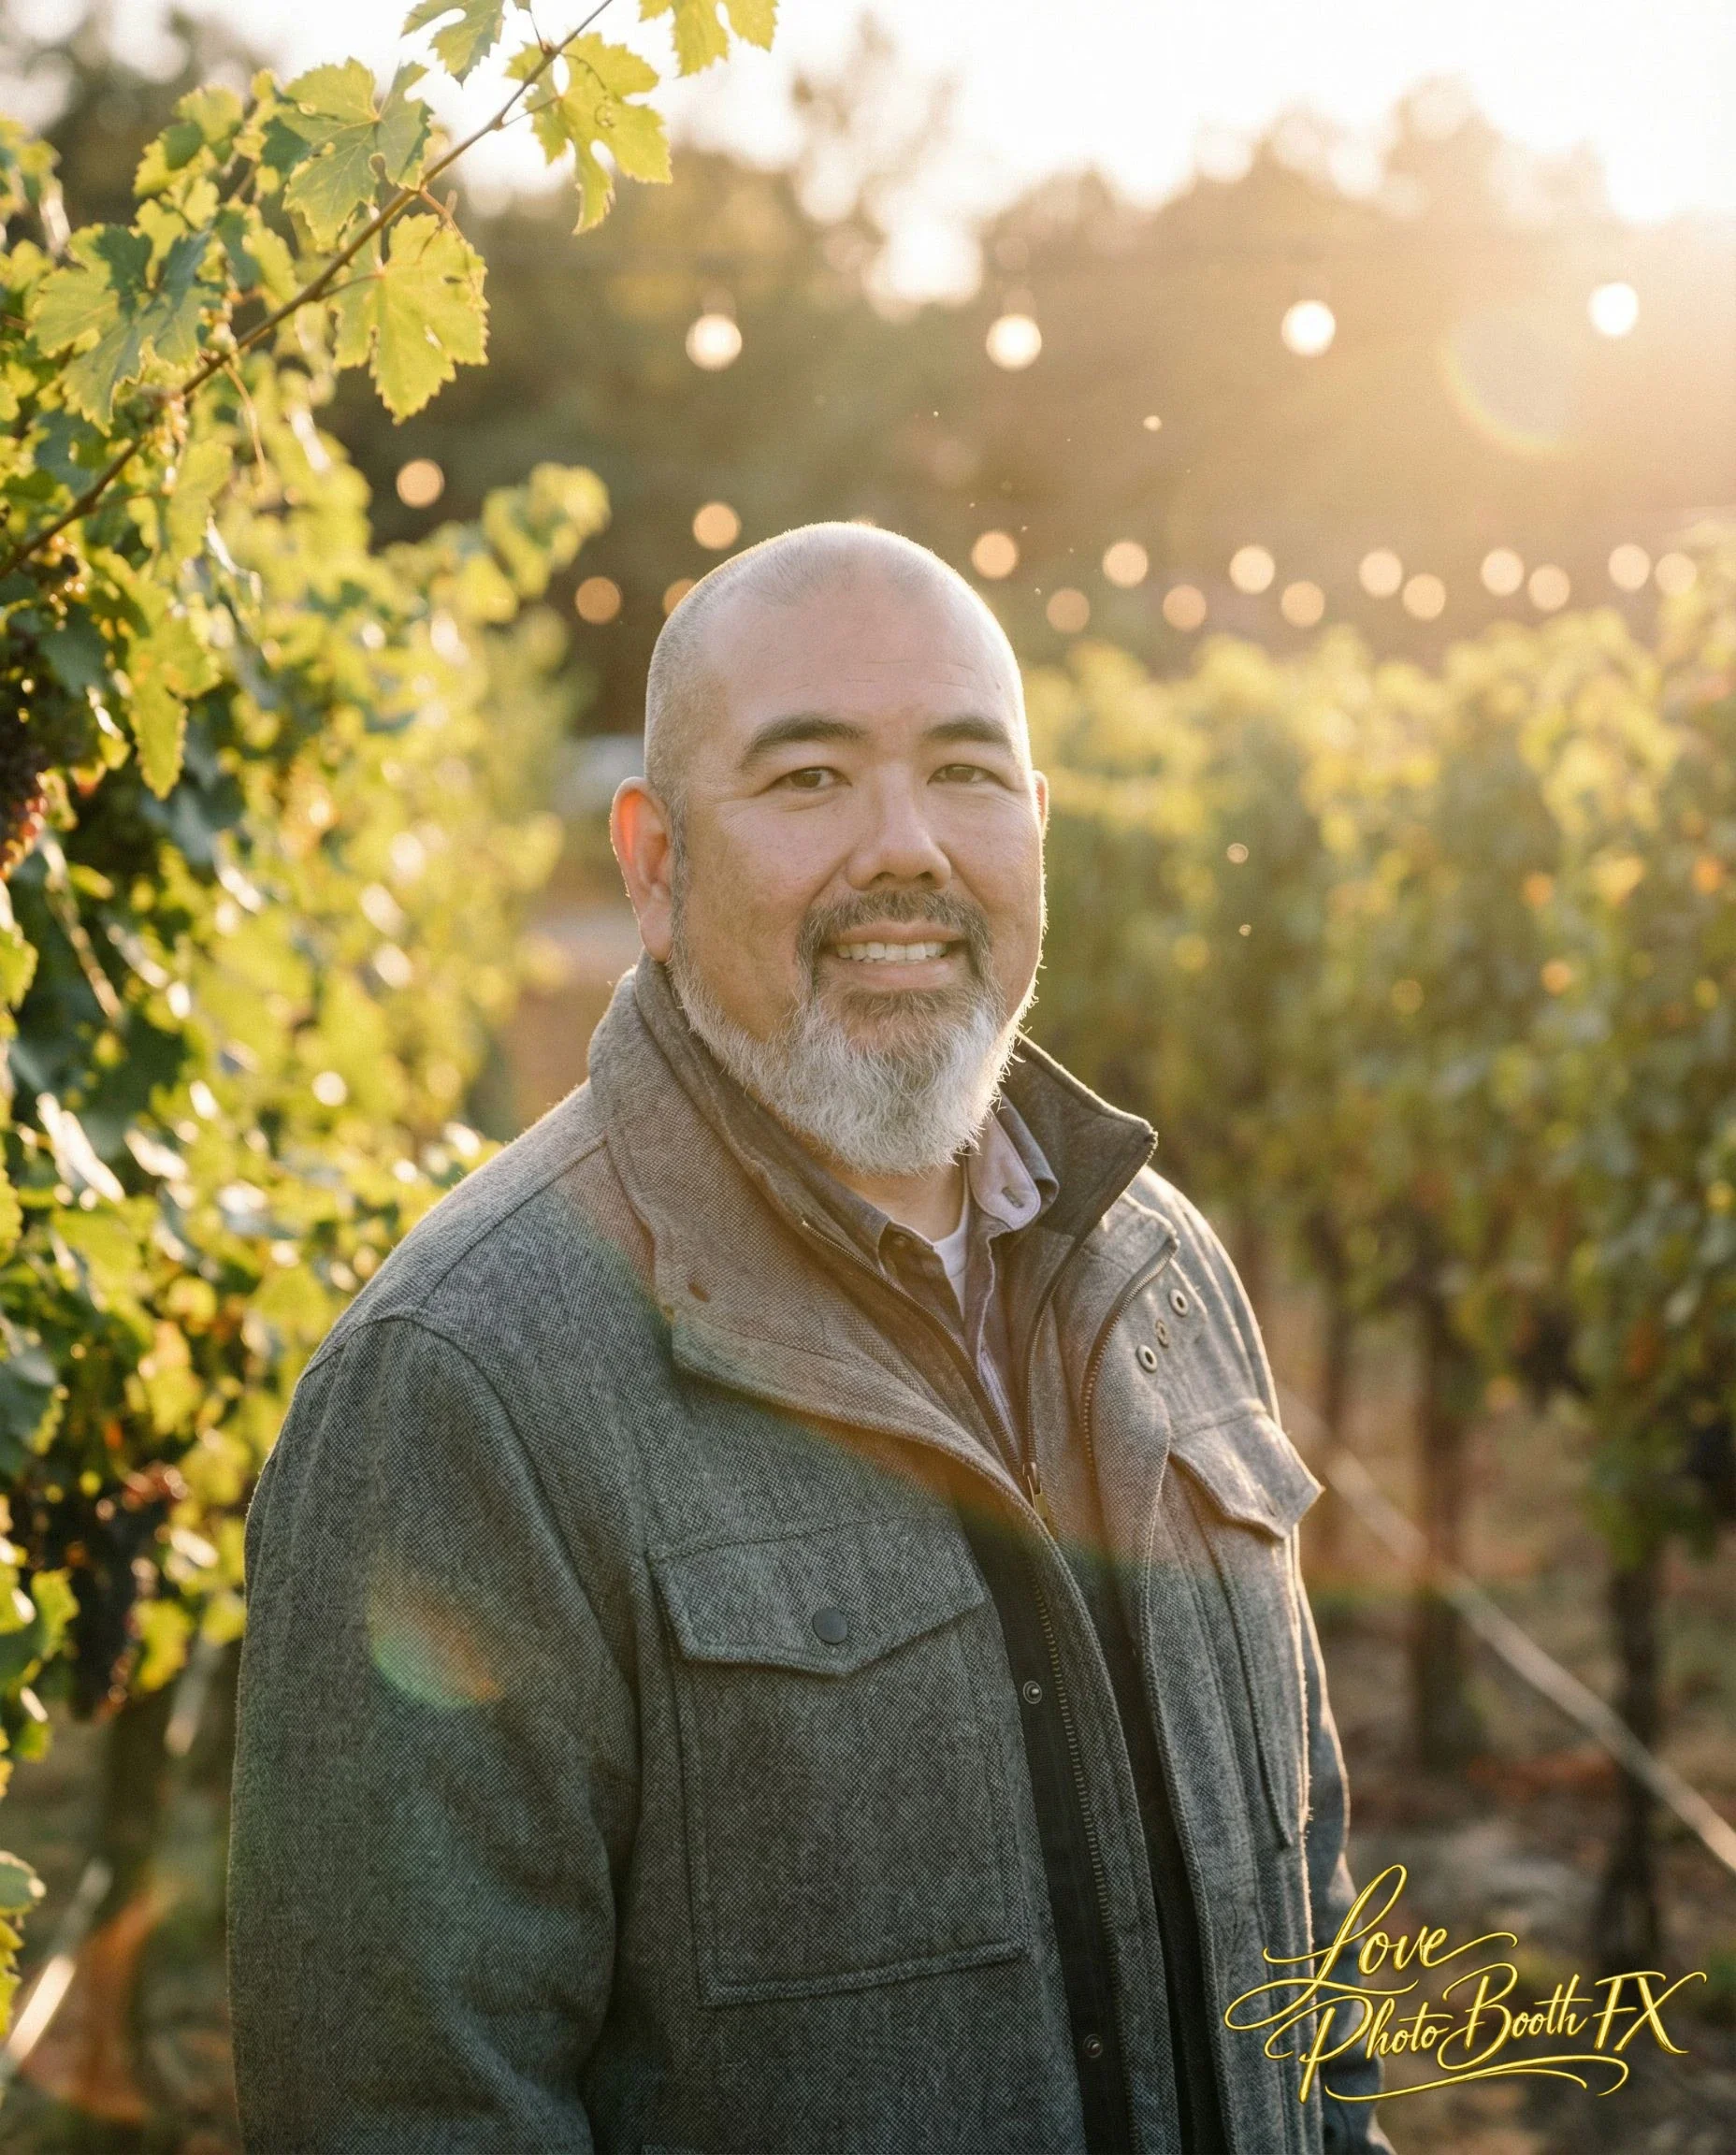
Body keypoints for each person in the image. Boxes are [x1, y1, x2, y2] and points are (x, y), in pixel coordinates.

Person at [227, 522, 1394, 2154]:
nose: (906, 847)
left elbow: (1301, 1919)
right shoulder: (464, 1382)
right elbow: (407, 2109)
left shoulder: (1163, 1273)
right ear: (654, 863)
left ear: (1037, 824)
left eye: (967, 772)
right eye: (810, 779)